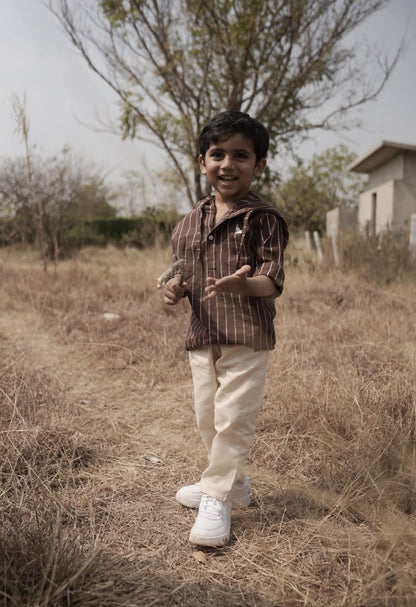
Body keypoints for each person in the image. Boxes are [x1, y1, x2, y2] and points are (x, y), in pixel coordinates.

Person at [163, 110, 289, 547]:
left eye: (241, 155)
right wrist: (173, 289)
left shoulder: (263, 218)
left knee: (233, 418)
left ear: (259, 165)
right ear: (202, 162)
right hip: (203, 335)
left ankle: (217, 498)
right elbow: (180, 271)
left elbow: (272, 281)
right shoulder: (188, 223)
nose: (228, 164)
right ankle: (231, 484)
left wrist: (244, 283)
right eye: (218, 154)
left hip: (246, 335)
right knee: (208, 416)